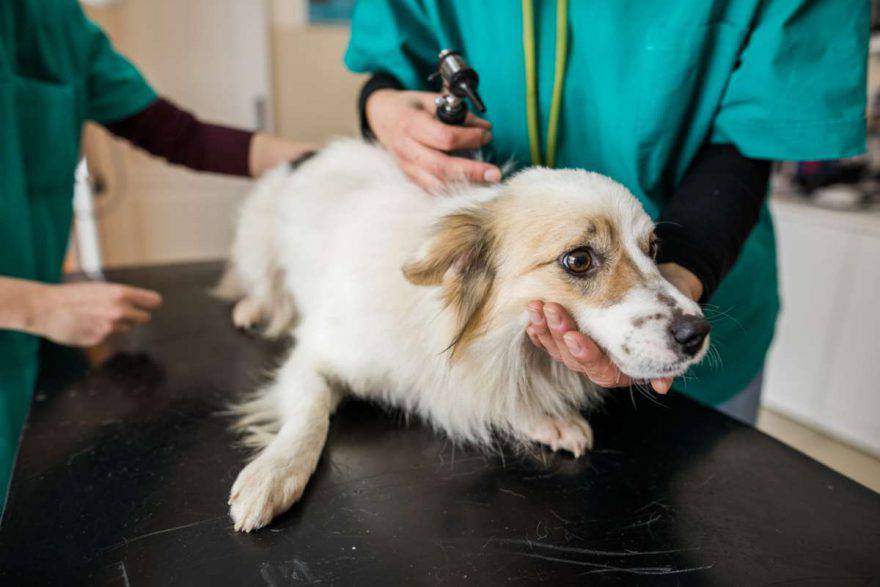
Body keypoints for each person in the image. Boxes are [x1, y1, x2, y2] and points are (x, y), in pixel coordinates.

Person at [345, 1, 868, 421]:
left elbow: (757, 130)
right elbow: (390, 67)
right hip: (508, 358)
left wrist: (682, 275)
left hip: (703, 276)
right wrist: (382, 108)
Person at [0, 0, 313, 507]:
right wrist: (37, 307)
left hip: (42, 354)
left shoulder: (53, 20)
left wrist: (334, 161)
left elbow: (181, 136)